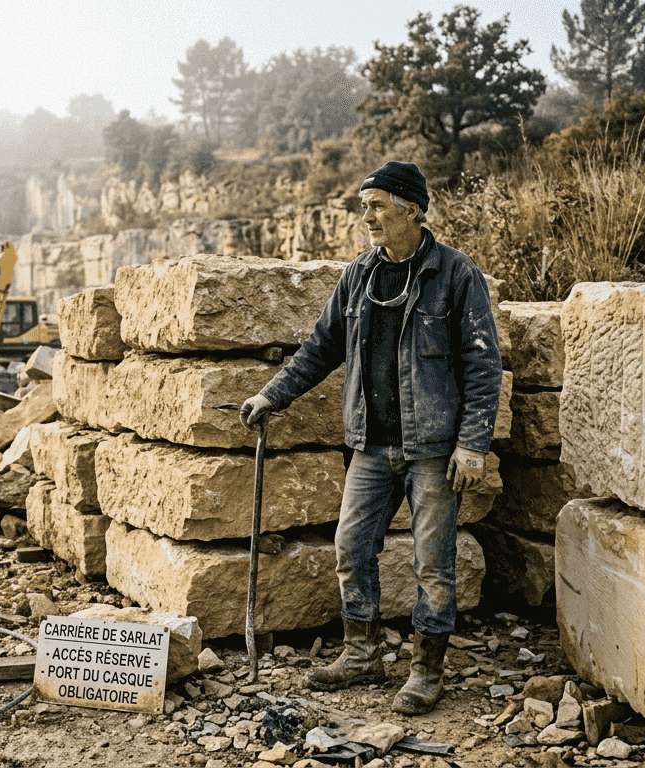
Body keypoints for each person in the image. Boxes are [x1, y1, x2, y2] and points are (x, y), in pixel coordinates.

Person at [240, 161, 502, 715]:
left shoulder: (456, 275)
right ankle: (361, 654)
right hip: (371, 446)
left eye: (379, 206)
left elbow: (483, 366)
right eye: (365, 207)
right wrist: (272, 395)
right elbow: (319, 347)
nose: (368, 217)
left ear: (413, 209)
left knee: (433, 562)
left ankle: (427, 670)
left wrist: (473, 444)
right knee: (351, 546)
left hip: (433, 450)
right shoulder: (359, 276)